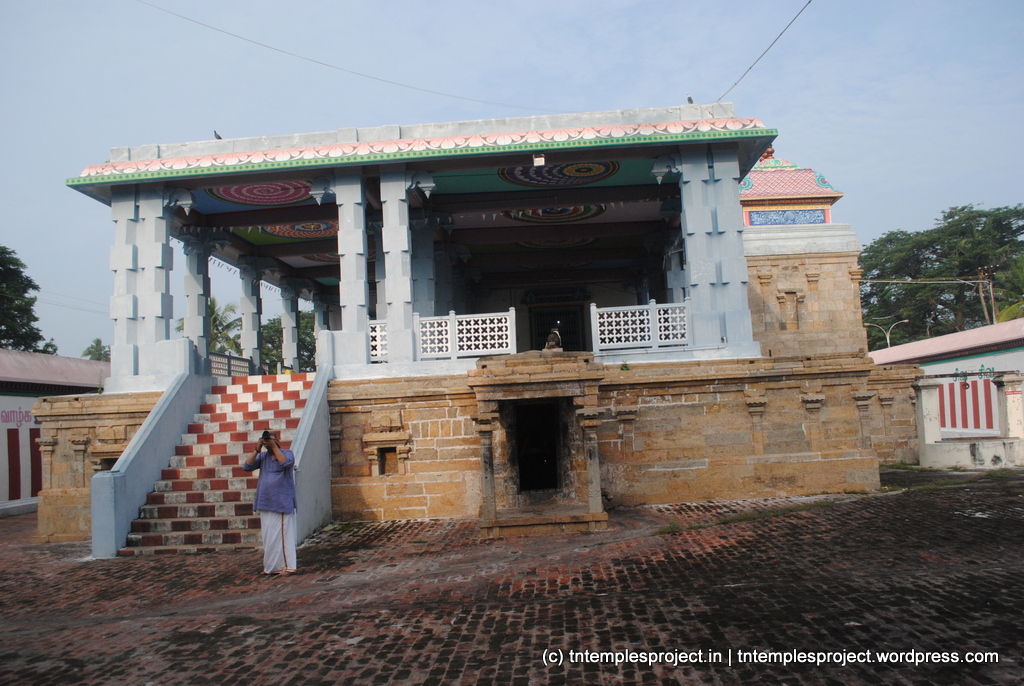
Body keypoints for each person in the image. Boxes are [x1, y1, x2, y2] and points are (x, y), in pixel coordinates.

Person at [243, 431, 297, 575]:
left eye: (271, 439)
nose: (269, 442)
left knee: (283, 536)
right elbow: (247, 467)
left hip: (282, 502)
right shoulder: (262, 457)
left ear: (277, 440)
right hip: (265, 501)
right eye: (267, 440)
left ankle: (289, 566)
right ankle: (272, 567)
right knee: (269, 536)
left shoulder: (287, 453)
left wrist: (274, 447)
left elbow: (286, 463)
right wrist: (257, 449)